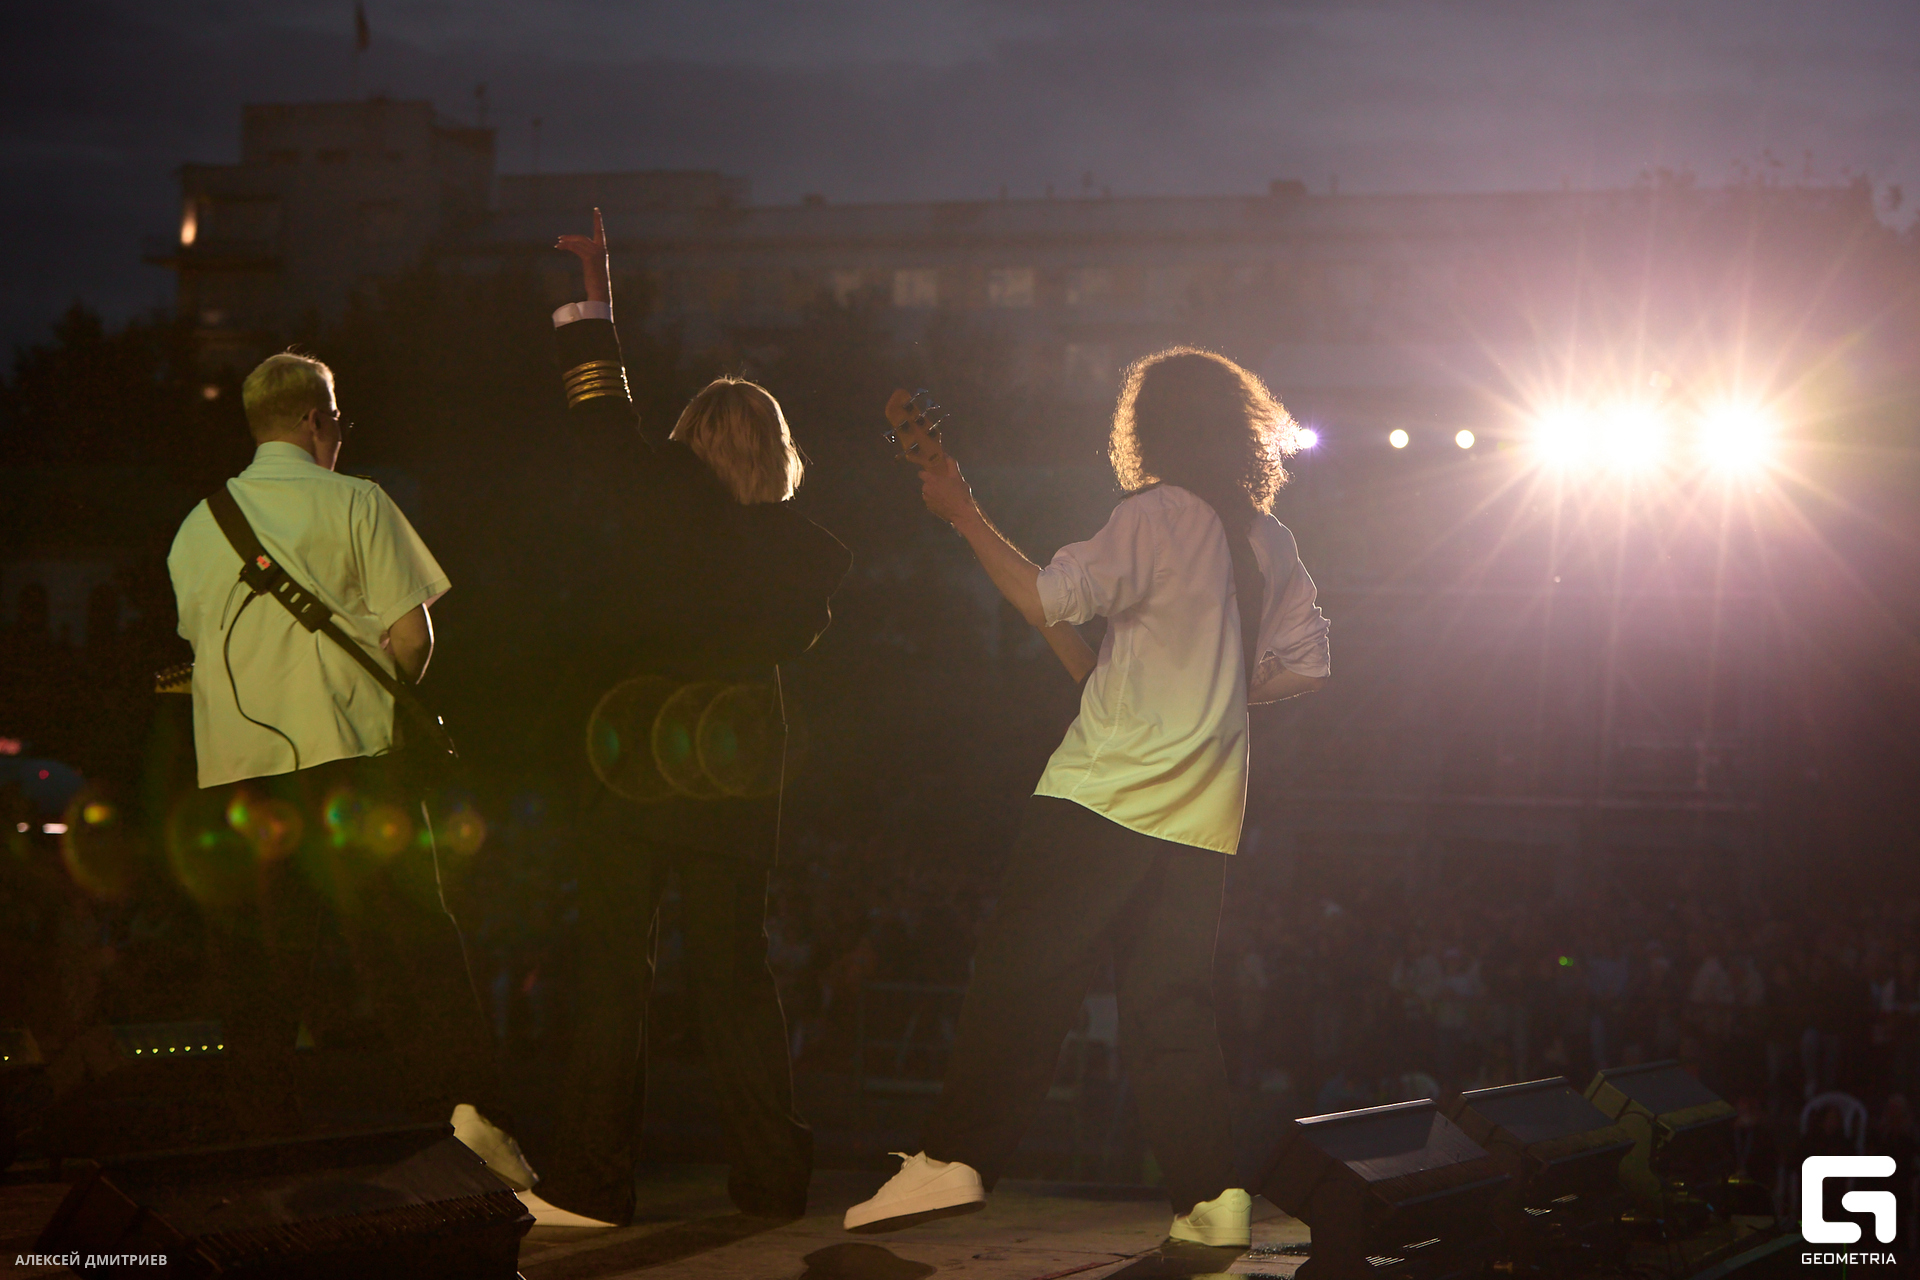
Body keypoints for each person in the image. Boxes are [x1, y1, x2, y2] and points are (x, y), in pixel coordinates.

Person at [844, 348, 1330, 1247]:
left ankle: (953, 1158)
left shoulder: (1154, 516)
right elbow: (1307, 664)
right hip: (1203, 814)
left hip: (1101, 793)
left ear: (1151, 427)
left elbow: (1046, 598)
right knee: (1170, 1007)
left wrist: (963, 512)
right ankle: (1211, 1198)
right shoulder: (1271, 542)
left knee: (1020, 973)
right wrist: (1215, 693)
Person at [532, 211, 850, 1227]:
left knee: (612, 978)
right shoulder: (808, 554)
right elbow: (793, 642)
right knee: (737, 979)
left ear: (692, 445)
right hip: (738, 773)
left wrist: (596, 301)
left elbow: (600, 412)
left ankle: (591, 1180)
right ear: (779, 453)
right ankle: (771, 1178)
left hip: (632, 764)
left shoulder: (660, 500)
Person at [166, 352, 533, 1187]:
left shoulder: (196, 527)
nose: (339, 434)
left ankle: (262, 1149)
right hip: (356, 769)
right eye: (337, 419)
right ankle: (469, 1131)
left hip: (240, 781)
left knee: (260, 975)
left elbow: (200, 648)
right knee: (412, 954)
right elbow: (412, 638)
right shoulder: (359, 502)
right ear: (314, 419)